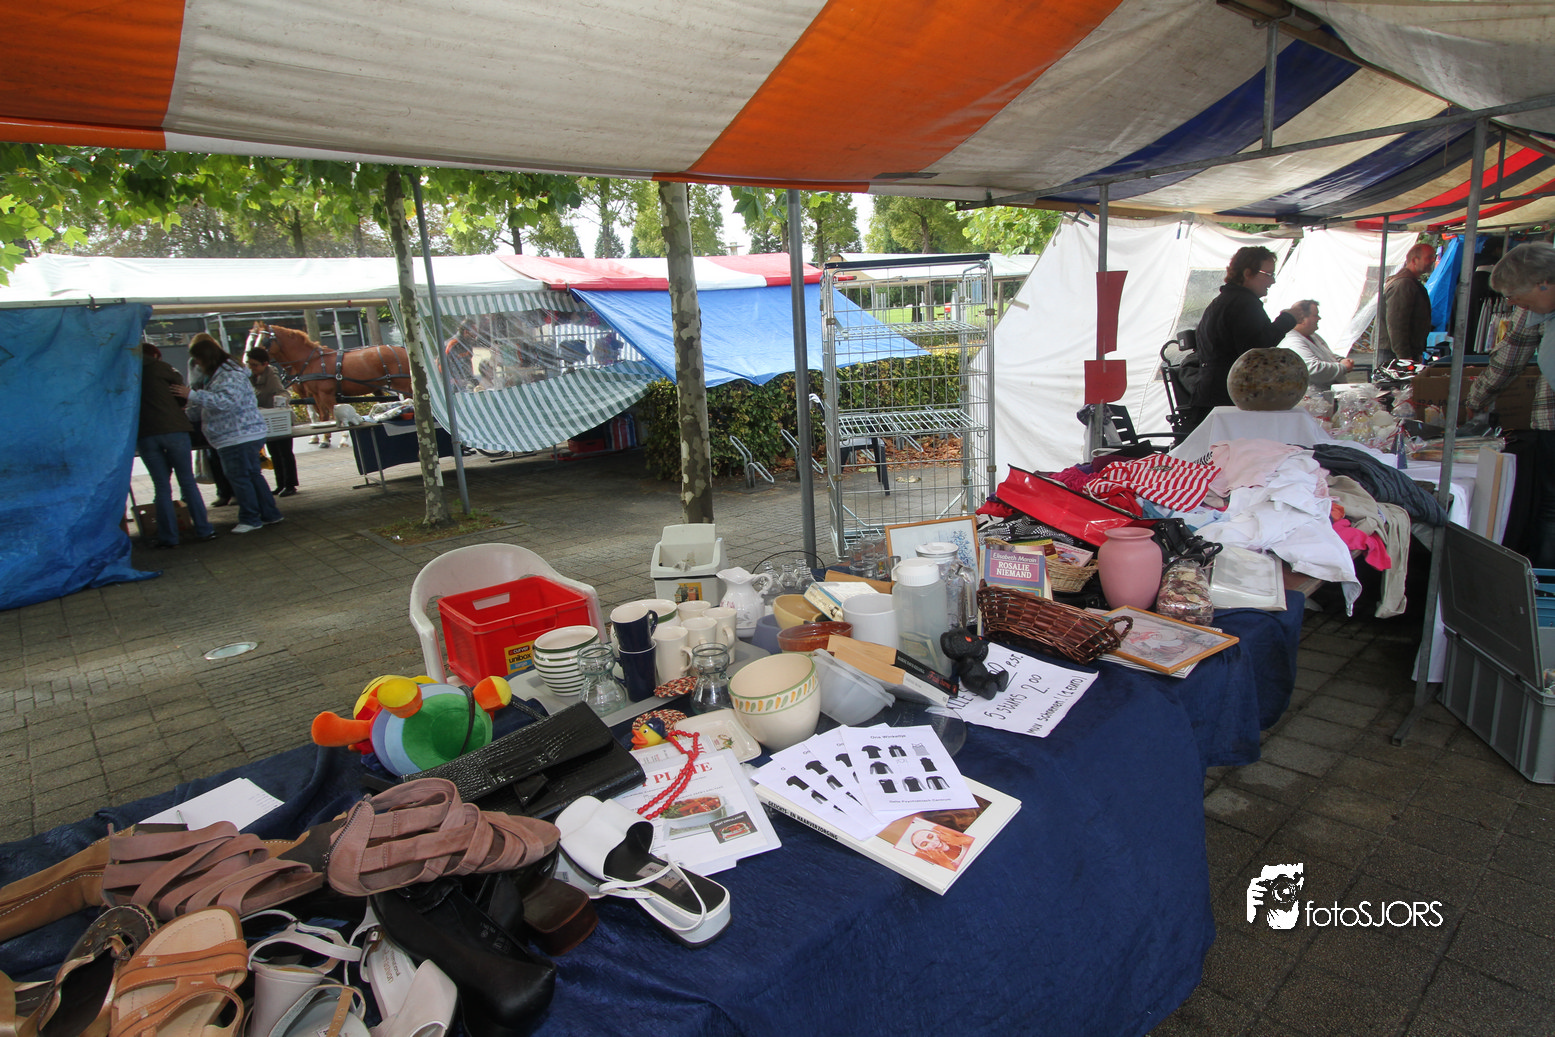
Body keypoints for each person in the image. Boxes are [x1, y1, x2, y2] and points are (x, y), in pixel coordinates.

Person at [1465, 242, 1555, 567]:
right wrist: (1478, 397)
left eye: (1514, 294)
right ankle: (1544, 583)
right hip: (1551, 424)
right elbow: (1511, 353)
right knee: (1551, 508)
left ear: (1542, 282)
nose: (1512, 303)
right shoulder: (1536, 309)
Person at [173, 334, 283, 534]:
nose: (197, 365)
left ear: (206, 358)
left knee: (240, 478)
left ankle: (251, 518)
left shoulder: (227, 374)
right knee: (252, 475)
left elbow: (226, 402)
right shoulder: (228, 372)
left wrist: (192, 396)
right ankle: (269, 514)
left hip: (236, 435)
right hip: (242, 433)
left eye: (198, 360)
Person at [1183, 246, 1298, 432]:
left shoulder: (1224, 301)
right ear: (1247, 273)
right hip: (1228, 397)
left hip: (1212, 393)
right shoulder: (1243, 303)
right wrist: (1287, 319)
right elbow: (1256, 350)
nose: (1272, 281)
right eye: (1268, 274)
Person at [137, 343, 216, 548]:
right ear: (156, 355)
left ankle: (168, 537)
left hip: (145, 434)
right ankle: (204, 530)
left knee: (161, 486)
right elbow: (181, 397)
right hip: (175, 430)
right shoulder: (163, 368)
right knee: (187, 482)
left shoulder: (126, 373)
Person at [246, 346, 299, 497]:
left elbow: (283, 393)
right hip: (266, 420)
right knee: (274, 452)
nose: (252, 368)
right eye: (250, 364)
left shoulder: (271, 376)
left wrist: (280, 401)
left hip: (279, 420)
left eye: (255, 365)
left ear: (265, 364)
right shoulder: (251, 377)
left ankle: (290, 484)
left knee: (284, 452)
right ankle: (280, 484)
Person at [1376, 242, 1437, 368]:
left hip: (1400, 352)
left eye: (1434, 256)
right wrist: (1404, 357)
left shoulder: (1409, 283)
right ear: (1414, 260)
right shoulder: (1404, 284)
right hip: (1394, 353)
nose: (1433, 260)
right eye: (1429, 257)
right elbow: (1396, 324)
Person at [1281, 300, 1354, 392]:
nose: (1319, 318)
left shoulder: (1312, 335)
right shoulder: (1293, 341)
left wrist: (1340, 360)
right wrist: (1343, 367)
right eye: (1315, 315)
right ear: (1302, 319)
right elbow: (1312, 369)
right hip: (1315, 395)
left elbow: (1325, 354)